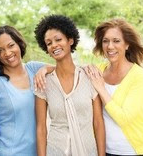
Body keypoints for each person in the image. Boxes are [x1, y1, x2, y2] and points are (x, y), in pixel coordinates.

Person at [0, 25, 54, 156]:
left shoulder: (34, 69)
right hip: (5, 152)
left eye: (11, 45)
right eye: (0, 50)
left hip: (37, 151)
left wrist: (45, 69)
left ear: (19, 44)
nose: (7, 53)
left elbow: (64, 70)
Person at [34, 14, 105, 156]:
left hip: (88, 150)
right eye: (49, 43)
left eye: (58, 39)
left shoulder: (89, 77)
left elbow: (98, 122)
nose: (54, 45)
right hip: (56, 150)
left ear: (70, 40)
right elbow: (41, 128)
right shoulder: (43, 82)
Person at [85, 19, 143, 156]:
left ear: (127, 44)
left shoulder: (139, 76)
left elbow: (124, 118)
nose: (110, 46)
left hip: (133, 151)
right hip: (104, 150)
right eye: (105, 41)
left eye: (116, 41)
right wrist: (46, 69)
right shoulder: (98, 71)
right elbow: (70, 73)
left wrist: (101, 89)